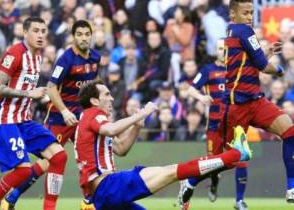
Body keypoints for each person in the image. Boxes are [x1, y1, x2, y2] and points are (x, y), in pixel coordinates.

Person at [74, 79, 252, 210]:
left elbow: (120, 149)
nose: (112, 98)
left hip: (104, 197)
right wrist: (141, 114)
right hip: (108, 187)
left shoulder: (89, 122)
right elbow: (112, 130)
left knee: (171, 173)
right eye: (106, 94)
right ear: (94, 101)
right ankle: (236, 154)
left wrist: (136, 127)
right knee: (171, 172)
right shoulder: (94, 114)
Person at [2, 20, 101, 210]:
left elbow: (94, 84)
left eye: (86, 34)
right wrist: (64, 111)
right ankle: (12, 196)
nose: (83, 37)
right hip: (59, 117)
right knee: (48, 162)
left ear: (91, 35)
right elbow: (51, 87)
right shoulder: (66, 59)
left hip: (81, 117)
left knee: (89, 157)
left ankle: (88, 200)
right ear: (73, 37)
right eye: (79, 34)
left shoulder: (95, 58)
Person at [223, 0, 294, 203]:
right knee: (232, 158)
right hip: (237, 106)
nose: (249, 17)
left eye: (252, 13)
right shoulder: (244, 30)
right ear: (232, 14)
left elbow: (251, 62)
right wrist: (280, 69)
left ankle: (291, 187)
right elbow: (263, 66)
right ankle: (191, 180)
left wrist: (266, 54)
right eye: (245, 13)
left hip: (255, 100)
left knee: (289, 130)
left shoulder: (231, 31)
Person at [0, 17, 67, 210]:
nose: (41, 35)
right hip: (5, 120)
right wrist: (29, 93)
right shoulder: (15, 53)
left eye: (43, 31)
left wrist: (38, 96)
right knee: (23, 171)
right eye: (36, 30)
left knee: (59, 157)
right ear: (24, 32)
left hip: (24, 120)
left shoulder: (38, 56)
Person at [178, 39, 249, 210]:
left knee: (242, 159)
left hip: (235, 125)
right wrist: (201, 97)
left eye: (226, 49)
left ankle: (239, 201)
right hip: (215, 126)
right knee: (213, 164)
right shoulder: (208, 70)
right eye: (220, 49)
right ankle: (212, 182)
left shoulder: (238, 69)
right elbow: (191, 89)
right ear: (215, 51)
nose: (223, 52)